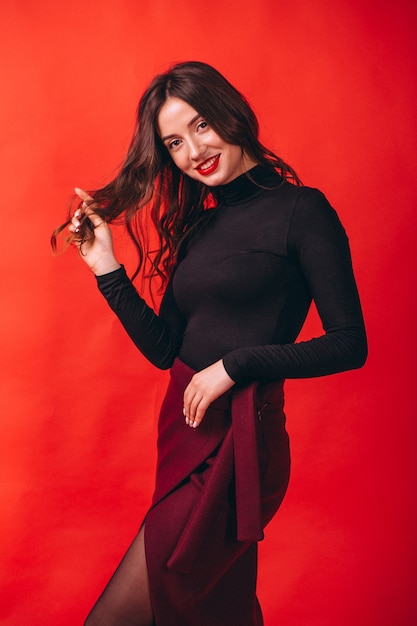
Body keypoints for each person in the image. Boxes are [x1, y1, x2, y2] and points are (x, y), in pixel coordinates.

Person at [52, 61, 367, 626]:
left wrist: (237, 364)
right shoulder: (202, 227)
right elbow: (164, 347)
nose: (194, 150)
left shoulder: (303, 212)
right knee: (216, 612)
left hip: (239, 443)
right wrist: (105, 268)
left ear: (231, 113)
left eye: (200, 125)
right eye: (174, 142)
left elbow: (350, 343)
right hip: (184, 438)